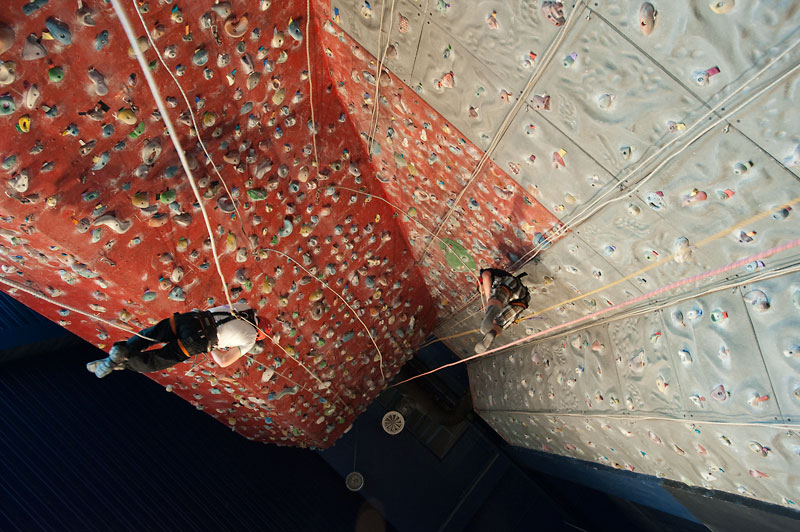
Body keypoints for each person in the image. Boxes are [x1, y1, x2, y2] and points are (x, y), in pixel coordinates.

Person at [87, 302, 267, 378]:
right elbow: (223, 361)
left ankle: (121, 352)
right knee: (155, 361)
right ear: (259, 335)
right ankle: (120, 363)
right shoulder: (251, 339)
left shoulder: (244, 306)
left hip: (190, 319)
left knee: (149, 335)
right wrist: (214, 348)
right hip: (199, 339)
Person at [475, 268, 530, 354]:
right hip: (520, 296)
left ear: (481, 283)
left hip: (512, 287)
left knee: (496, 301)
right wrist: (489, 303)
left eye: (482, 290)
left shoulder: (487, 274)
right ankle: (493, 331)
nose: (483, 292)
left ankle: (494, 329)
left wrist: (488, 299)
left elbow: (486, 275)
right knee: (498, 321)